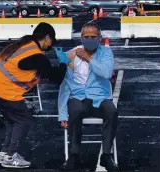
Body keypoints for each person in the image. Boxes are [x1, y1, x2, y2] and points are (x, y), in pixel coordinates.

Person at [0, 22, 69, 168]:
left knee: (12, 120)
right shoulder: (37, 56)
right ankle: (10, 155)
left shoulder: (23, 46)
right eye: (51, 40)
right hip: (2, 89)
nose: (51, 44)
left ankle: (5, 153)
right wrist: (63, 63)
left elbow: (35, 71)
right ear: (47, 37)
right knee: (24, 121)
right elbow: (56, 78)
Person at [55, 22, 119, 171]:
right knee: (75, 111)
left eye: (93, 36)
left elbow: (106, 73)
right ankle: (73, 155)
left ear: (100, 38)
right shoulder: (71, 55)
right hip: (78, 98)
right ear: (82, 37)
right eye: (86, 36)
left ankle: (106, 155)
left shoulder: (106, 53)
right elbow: (64, 86)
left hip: (100, 98)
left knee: (112, 111)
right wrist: (62, 114)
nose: (89, 39)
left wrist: (88, 59)